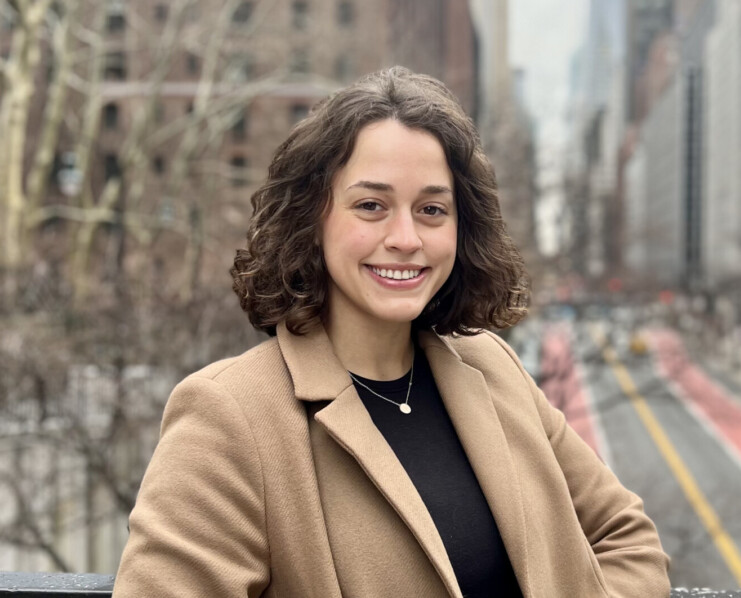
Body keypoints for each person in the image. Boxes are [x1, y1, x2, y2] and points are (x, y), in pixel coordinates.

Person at [113, 67, 670, 598]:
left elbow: (627, 536)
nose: (405, 237)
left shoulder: (492, 367)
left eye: (431, 209)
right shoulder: (228, 416)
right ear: (313, 219)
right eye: (372, 205)